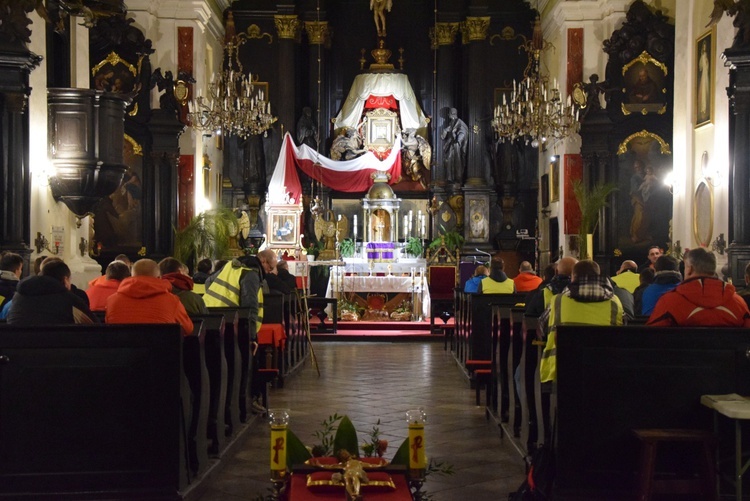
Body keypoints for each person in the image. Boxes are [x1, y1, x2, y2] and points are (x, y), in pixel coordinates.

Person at [539, 260, 623, 384]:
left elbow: (541, 328)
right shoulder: (615, 303)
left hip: (560, 369)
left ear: (573, 278)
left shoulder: (557, 301)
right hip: (604, 371)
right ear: (598, 276)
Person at [204, 254, 266, 412]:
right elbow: (250, 306)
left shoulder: (228, 267)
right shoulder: (249, 274)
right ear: (262, 263)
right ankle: (245, 402)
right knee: (247, 364)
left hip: (211, 322)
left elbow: (208, 282)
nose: (269, 271)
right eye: (269, 267)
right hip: (237, 326)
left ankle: (220, 404)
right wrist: (252, 336)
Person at [647, 248, 750, 327]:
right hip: (730, 355)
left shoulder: (669, 301)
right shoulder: (738, 303)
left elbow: (652, 339)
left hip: (683, 355)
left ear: (689, 269)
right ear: (713, 270)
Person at [106, 259, 194, 336]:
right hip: (161, 354)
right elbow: (188, 329)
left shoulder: (112, 301)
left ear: (131, 277)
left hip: (122, 353)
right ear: (159, 278)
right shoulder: (172, 301)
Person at [7, 259, 97, 325]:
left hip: (14, 348)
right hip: (57, 349)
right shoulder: (69, 300)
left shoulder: (18, 296)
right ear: (65, 280)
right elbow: (94, 327)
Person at [441, 108, 468, 184]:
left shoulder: (460, 122)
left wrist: (458, 139)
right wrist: (445, 131)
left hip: (456, 145)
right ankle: (450, 178)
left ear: (452, 114)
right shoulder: (452, 122)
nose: (448, 115)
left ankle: (457, 178)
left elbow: (463, 131)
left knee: (457, 161)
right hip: (451, 145)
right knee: (448, 160)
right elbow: (449, 130)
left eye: (449, 113)